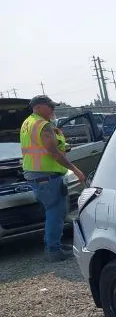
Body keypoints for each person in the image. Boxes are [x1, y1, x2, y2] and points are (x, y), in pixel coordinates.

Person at [19, 95, 86, 262]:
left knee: (55, 212)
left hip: (38, 175)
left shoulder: (28, 123)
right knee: (55, 212)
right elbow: (53, 153)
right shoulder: (43, 125)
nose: (53, 110)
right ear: (40, 107)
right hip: (46, 176)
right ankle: (54, 250)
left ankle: (52, 245)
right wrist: (76, 170)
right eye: (50, 106)